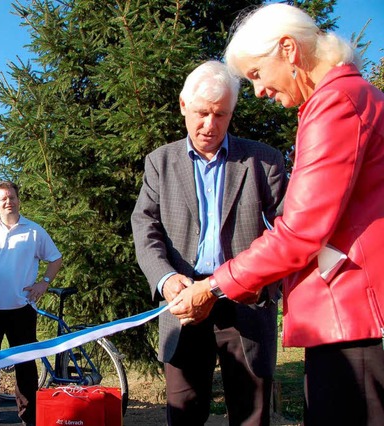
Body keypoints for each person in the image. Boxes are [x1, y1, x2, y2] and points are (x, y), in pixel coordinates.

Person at [169, 4, 384, 426]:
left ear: (287, 49)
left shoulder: (334, 103)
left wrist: (214, 286)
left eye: (256, 74)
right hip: (347, 313)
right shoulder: (349, 96)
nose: (259, 91)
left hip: (350, 315)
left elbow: (300, 231)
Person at [131, 60, 287, 425]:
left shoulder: (263, 161)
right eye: (202, 113)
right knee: (185, 415)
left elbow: (289, 231)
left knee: (252, 416)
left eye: (221, 114)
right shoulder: (160, 162)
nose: (210, 125)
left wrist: (266, 285)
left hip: (246, 302)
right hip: (183, 303)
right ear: (184, 106)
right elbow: (144, 226)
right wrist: (166, 279)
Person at [0, 181, 63, 426]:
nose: (8, 202)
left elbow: (55, 259)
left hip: (22, 309)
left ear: (18, 199)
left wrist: (44, 283)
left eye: (12, 197)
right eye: (3, 198)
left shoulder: (34, 231)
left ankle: (29, 415)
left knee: (25, 365)